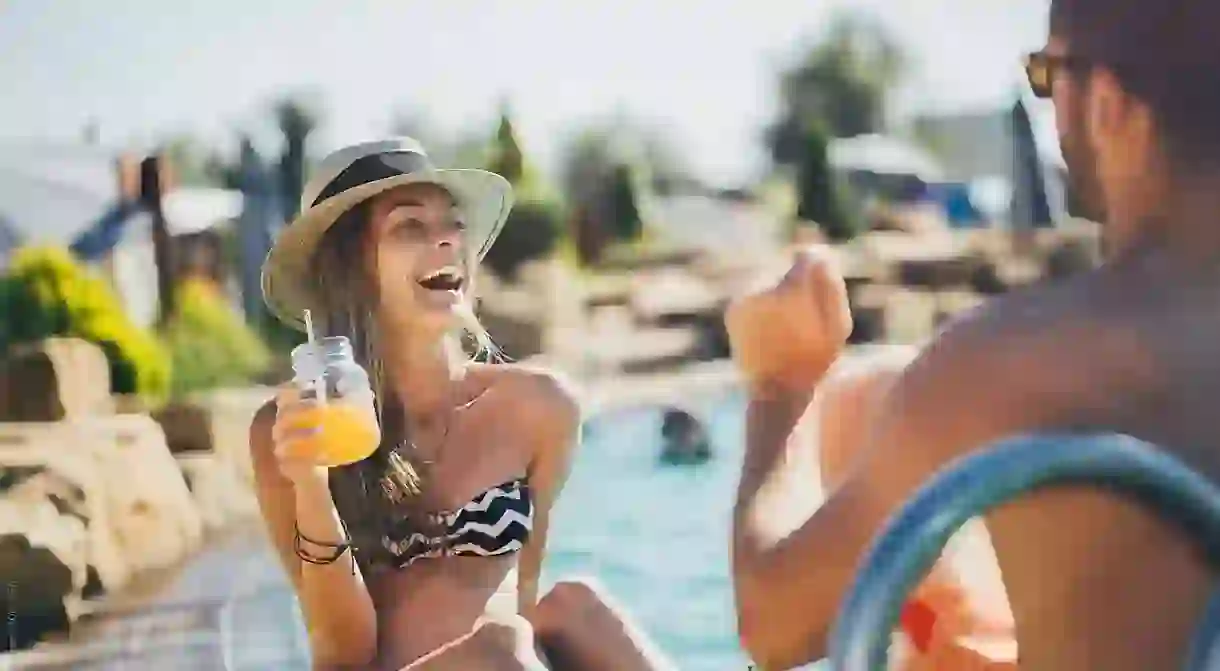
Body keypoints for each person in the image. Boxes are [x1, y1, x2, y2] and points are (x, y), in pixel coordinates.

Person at [724, 1, 1220, 669]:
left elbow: (775, 622)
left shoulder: (1017, 365)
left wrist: (781, 386)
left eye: (1047, 76)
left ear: (1107, 103)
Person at [250, 138, 672, 670]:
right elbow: (343, 654)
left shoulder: (539, 407)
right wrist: (311, 487)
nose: (447, 240)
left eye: (454, 224)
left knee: (574, 605)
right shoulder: (294, 427)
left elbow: (522, 598)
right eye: (410, 227)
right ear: (350, 268)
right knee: (501, 648)